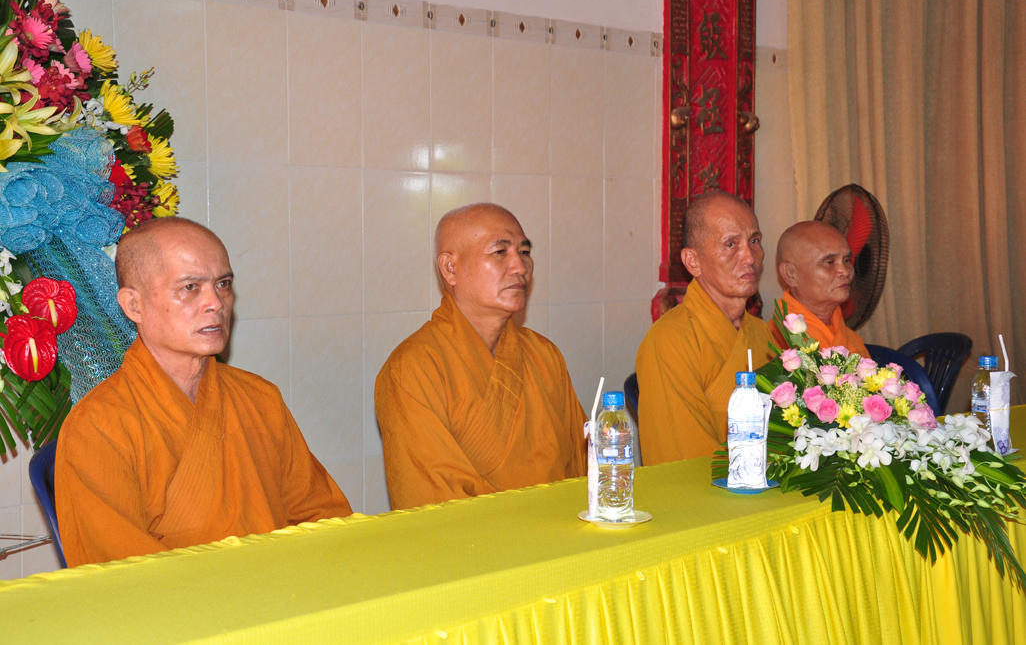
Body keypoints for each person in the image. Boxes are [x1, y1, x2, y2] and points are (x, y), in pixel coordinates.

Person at [56, 217, 352, 567]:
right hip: (185, 601)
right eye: (190, 287)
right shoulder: (98, 426)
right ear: (134, 305)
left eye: (223, 284)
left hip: (284, 588)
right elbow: (122, 573)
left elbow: (323, 517)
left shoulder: (260, 398)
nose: (216, 303)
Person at [375, 203, 587, 510]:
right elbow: (435, 506)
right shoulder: (412, 368)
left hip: (563, 530)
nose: (520, 266)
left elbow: (585, 468)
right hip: (479, 538)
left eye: (524, 252)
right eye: (500, 252)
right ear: (450, 268)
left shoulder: (544, 355)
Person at [635, 191, 775, 464]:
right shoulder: (670, 341)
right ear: (693, 261)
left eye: (754, 241)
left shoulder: (762, 333)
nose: (749, 257)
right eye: (731, 244)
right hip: (711, 486)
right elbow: (682, 460)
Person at [770, 220, 870, 358]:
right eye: (829, 262)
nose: (845, 271)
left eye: (846, 260)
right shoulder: (777, 341)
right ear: (790, 274)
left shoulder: (852, 340)